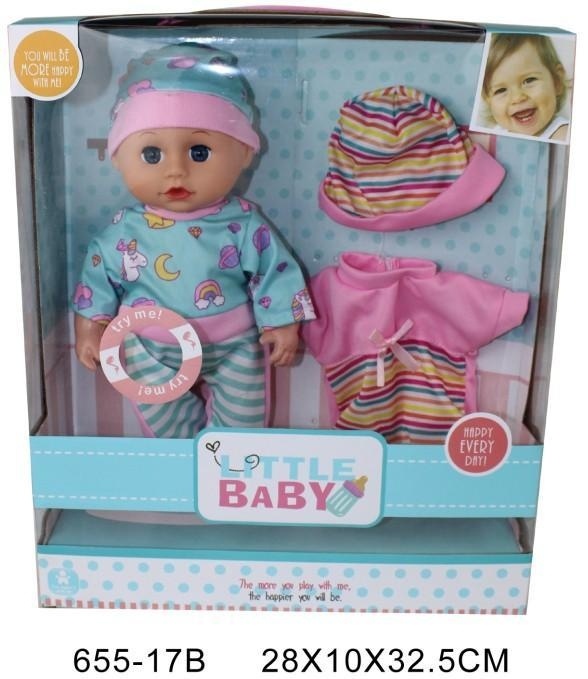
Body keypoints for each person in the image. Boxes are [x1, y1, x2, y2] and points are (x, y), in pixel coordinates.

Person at [73, 43, 315, 437]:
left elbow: (275, 269)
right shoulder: (123, 231)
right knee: (166, 422)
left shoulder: (244, 223)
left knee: (241, 428)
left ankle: (227, 460)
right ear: (117, 157)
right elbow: (96, 279)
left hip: (233, 344)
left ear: (244, 153)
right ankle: (183, 457)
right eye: (152, 154)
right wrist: (90, 327)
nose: (176, 171)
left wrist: (283, 322)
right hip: (151, 345)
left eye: (199, 152)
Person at [482, 33, 569, 141]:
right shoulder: (494, 134)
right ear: (488, 100)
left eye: (529, 80)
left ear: (556, 82)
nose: (517, 98)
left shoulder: (563, 135)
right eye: (501, 90)